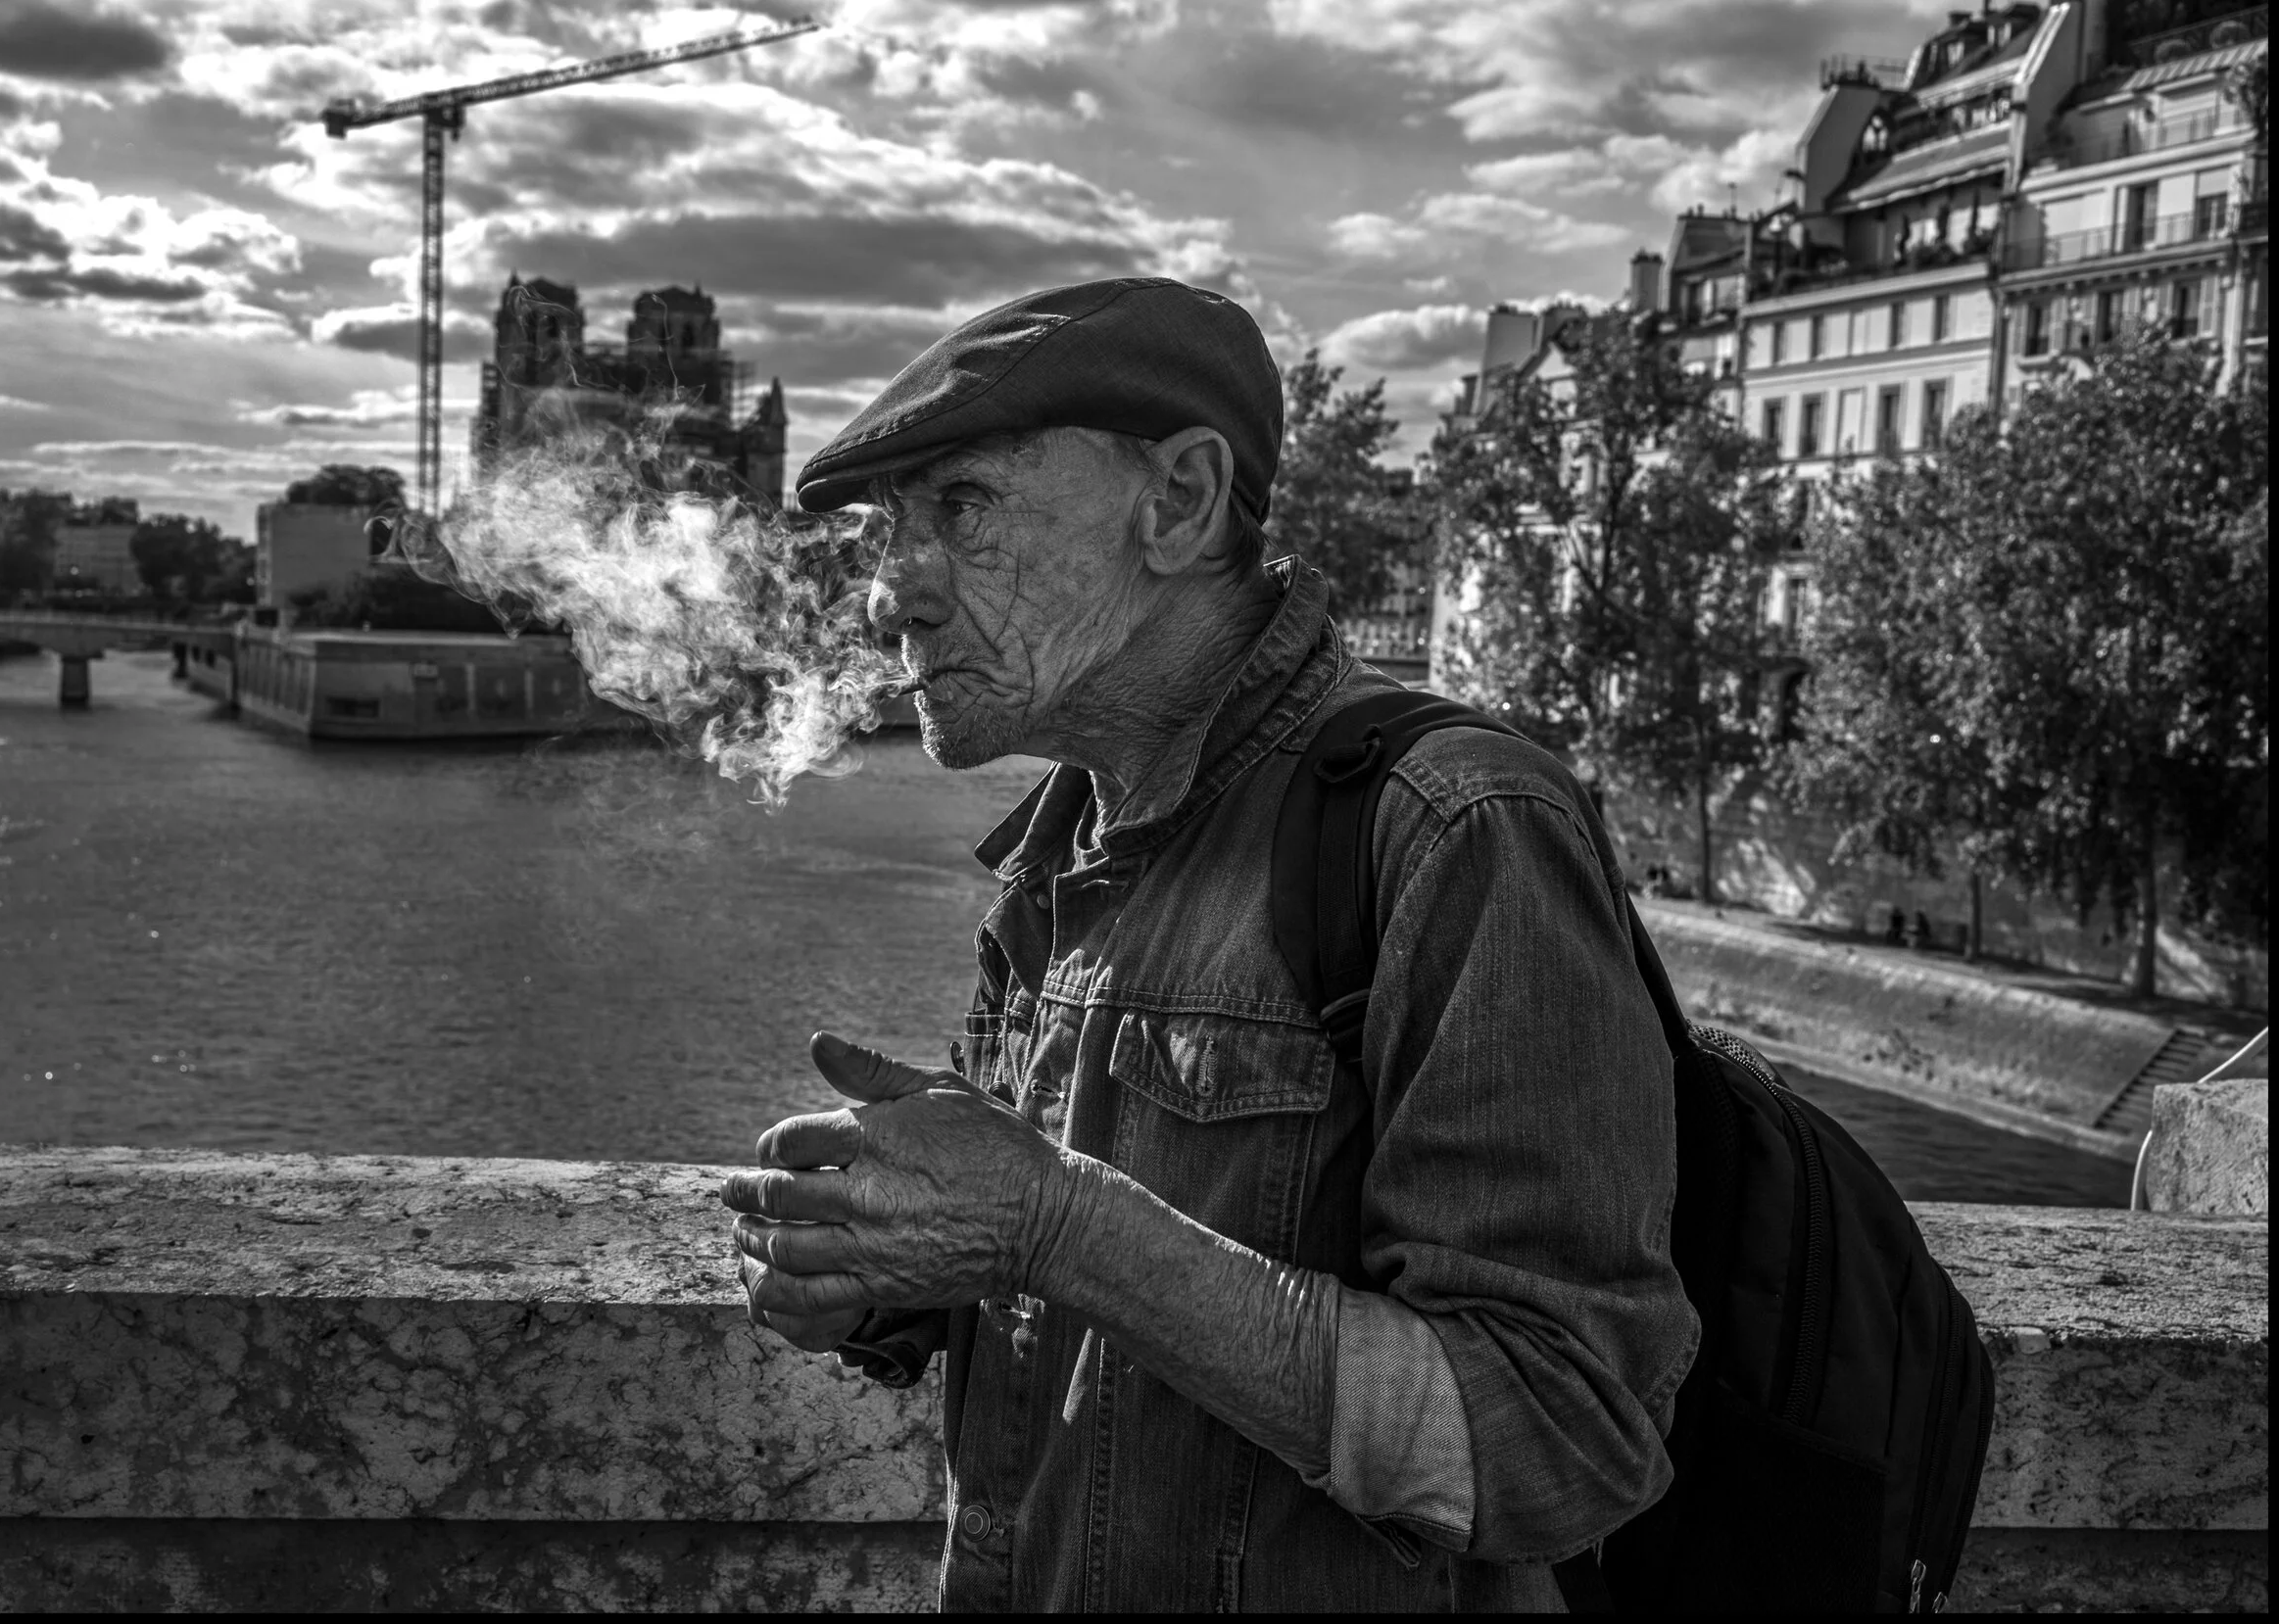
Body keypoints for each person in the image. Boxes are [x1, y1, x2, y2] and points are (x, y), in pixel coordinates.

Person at [722, 276, 1697, 1611]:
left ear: (1178, 503)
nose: (897, 590)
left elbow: (1560, 1437)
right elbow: (1077, 1323)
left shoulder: (1456, 828)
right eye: (895, 528)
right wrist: (890, 1273)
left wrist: (1055, 1224)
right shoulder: (1050, 862)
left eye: (965, 509)